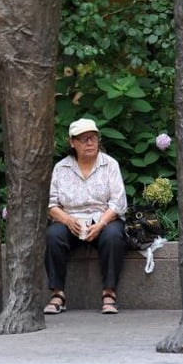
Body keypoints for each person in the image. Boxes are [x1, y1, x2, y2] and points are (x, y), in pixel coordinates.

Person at [44, 118, 128, 315]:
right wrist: (66, 219)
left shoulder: (110, 165)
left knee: (113, 236)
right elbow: (51, 203)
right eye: (84, 139)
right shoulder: (61, 168)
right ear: (72, 142)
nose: (90, 143)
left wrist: (101, 224)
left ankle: (109, 293)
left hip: (103, 219)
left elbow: (118, 202)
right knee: (53, 235)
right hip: (70, 220)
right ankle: (58, 294)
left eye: (93, 138)